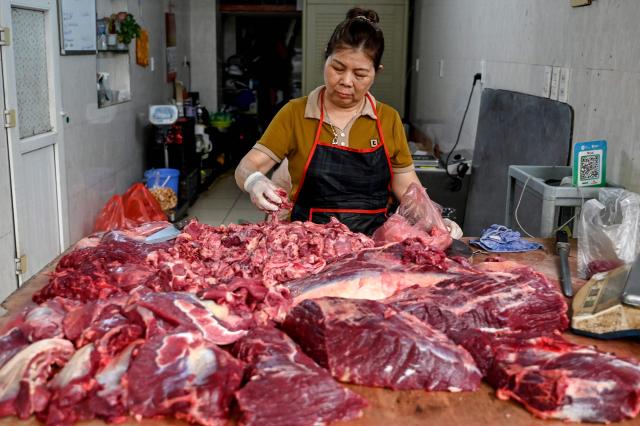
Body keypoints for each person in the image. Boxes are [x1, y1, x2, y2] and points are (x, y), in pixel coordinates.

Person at [235, 7, 462, 238]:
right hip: (308, 246)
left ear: (376, 72)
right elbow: (247, 166)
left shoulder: (388, 119)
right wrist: (254, 181)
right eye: (337, 68)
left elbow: (407, 189)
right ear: (326, 57)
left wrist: (435, 221)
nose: (346, 81)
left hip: (374, 247)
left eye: (360, 74)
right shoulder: (295, 113)